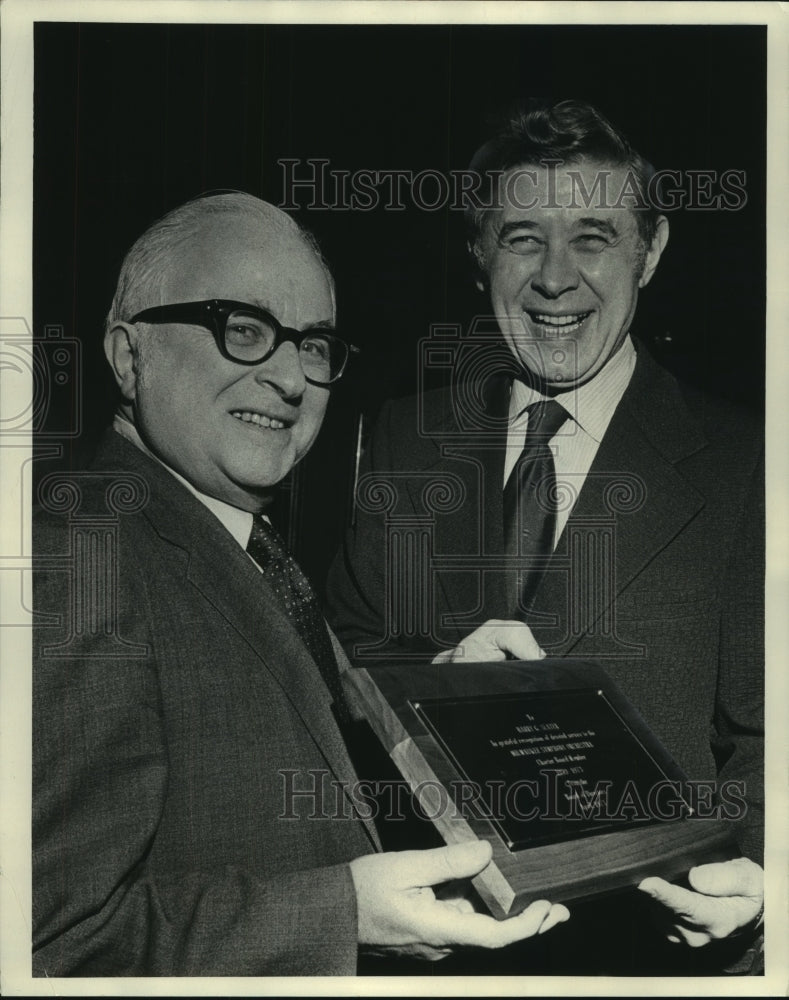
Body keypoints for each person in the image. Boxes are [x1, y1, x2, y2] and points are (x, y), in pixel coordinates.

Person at [31, 192, 570, 977]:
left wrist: (438, 695)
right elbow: (47, 944)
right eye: (243, 330)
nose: (290, 377)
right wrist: (342, 914)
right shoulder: (76, 556)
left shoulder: (235, 542)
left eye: (313, 344)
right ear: (126, 354)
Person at [327, 100, 764, 974]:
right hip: (431, 956)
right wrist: (429, 688)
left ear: (652, 249)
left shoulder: (747, 462)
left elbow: (765, 740)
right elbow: (336, 674)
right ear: (479, 255)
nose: (554, 278)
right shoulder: (405, 439)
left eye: (593, 237)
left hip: (647, 962)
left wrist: (756, 888)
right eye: (523, 237)